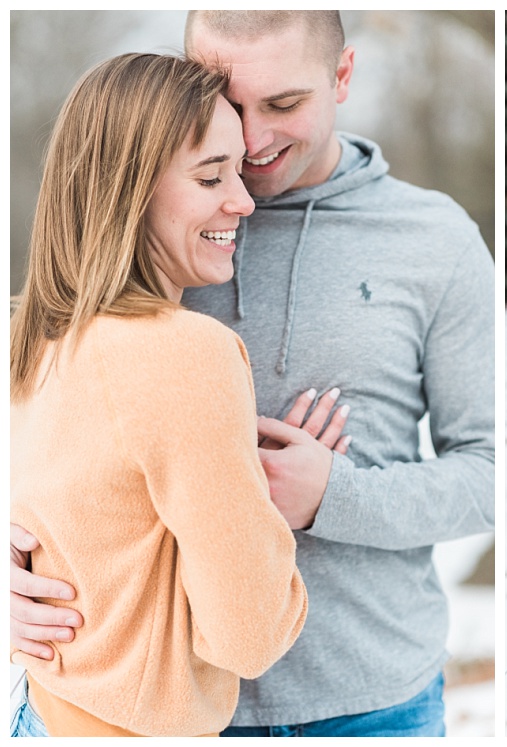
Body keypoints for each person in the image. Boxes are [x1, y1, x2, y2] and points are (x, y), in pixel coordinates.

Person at [11, 10, 495, 738]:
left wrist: (333, 494)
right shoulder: (157, 231)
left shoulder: (436, 240)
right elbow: (55, 428)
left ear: (342, 77)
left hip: (368, 705)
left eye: (284, 104)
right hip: (153, 705)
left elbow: (489, 475)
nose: (256, 140)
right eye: (231, 105)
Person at [8, 53, 309, 737]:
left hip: (44, 713)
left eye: (239, 169)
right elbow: (250, 635)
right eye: (211, 175)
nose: (243, 200)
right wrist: (273, 505)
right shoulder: (186, 352)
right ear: (128, 189)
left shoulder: (40, 335)